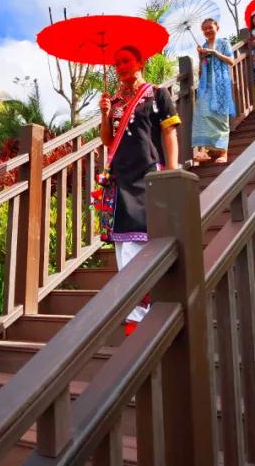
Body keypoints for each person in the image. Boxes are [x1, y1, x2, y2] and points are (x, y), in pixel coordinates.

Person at [93, 45, 180, 335]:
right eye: (117, 63)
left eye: (126, 61)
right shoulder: (115, 101)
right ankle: (134, 313)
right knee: (122, 242)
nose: (121, 67)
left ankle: (144, 311)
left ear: (140, 62)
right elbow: (108, 140)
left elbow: (169, 132)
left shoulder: (157, 94)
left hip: (148, 174)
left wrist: (172, 169)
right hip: (119, 177)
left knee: (140, 239)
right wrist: (105, 114)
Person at [192, 18, 236, 164]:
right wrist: (201, 56)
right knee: (203, 114)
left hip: (221, 84)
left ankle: (223, 153)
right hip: (206, 85)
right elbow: (201, 69)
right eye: (204, 29)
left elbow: (231, 61)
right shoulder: (203, 46)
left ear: (217, 27)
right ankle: (204, 151)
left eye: (210, 27)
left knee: (221, 117)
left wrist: (214, 52)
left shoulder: (224, 43)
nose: (207, 30)